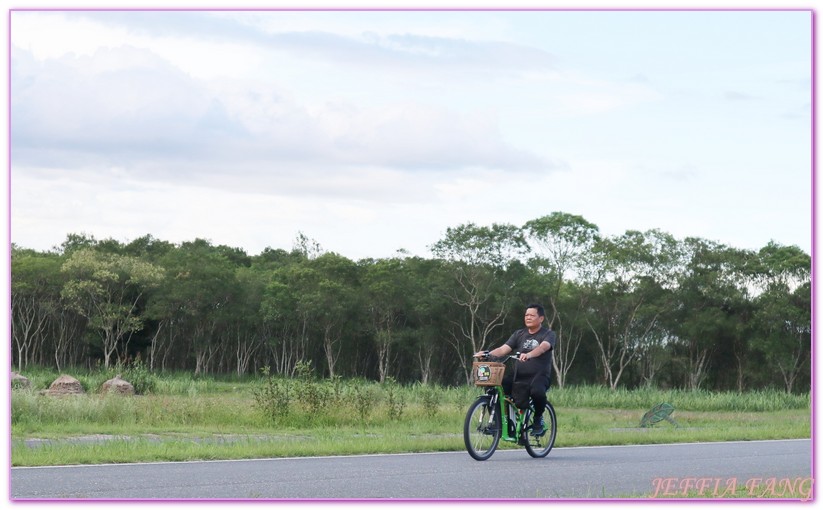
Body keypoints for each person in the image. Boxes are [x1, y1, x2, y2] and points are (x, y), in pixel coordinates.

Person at [475, 303, 556, 436]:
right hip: (518, 376)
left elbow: (543, 347)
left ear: (541, 318)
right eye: (526, 315)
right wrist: (487, 354)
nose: (528, 317)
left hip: (539, 376)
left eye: (531, 315)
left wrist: (529, 354)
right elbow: (503, 349)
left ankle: (537, 420)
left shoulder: (548, 334)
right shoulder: (519, 334)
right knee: (493, 388)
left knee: (537, 392)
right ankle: (497, 423)